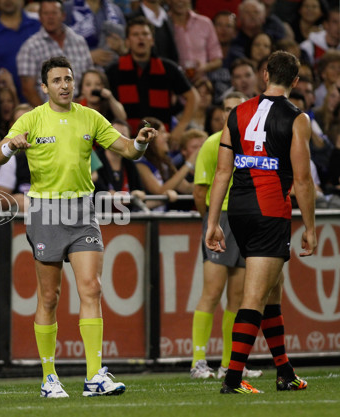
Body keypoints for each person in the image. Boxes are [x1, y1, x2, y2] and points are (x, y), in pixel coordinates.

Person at [0, 56, 157, 398]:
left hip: (83, 211)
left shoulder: (90, 117)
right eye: (57, 80)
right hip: (45, 212)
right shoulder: (31, 119)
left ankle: (94, 376)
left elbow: (127, 150)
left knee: (92, 288)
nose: (65, 85)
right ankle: (49, 377)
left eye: (68, 79)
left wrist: (139, 142)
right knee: (49, 296)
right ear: (44, 87)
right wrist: (10, 145)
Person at [205, 51, 316, 394]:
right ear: (295, 82)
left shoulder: (237, 112)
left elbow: (222, 171)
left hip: (237, 210)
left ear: (265, 74)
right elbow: (302, 181)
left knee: (272, 291)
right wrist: (310, 228)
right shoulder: (297, 119)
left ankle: (284, 371)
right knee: (253, 297)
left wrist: (213, 222)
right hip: (270, 211)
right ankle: (233, 379)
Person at [190, 91, 263, 380]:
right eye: (226, 108)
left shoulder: (254, 144)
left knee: (237, 297)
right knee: (211, 292)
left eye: (236, 108)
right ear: (221, 114)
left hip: (245, 220)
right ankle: (198, 361)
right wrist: (211, 220)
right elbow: (199, 192)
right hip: (220, 219)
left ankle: (230, 364)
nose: (230, 113)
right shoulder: (211, 144)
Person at [106, 16, 197, 142]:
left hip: (159, 140)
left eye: (145, 34)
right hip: (126, 140)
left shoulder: (168, 68)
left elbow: (193, 97)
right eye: (135, 34)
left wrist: (180, 128)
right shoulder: (113, 71)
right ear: (127, 41)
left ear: (152, 40)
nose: (141, 38)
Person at [17, 0, 93, 107]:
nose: (50, 17)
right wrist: (47, 116)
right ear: (40, 17)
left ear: (63, 16)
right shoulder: (30, 47)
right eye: (46, 13)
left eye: (54, 13)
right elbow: (28, 89)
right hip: (48, 113)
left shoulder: (79, 41)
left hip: (81, 110)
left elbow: (90, 76)